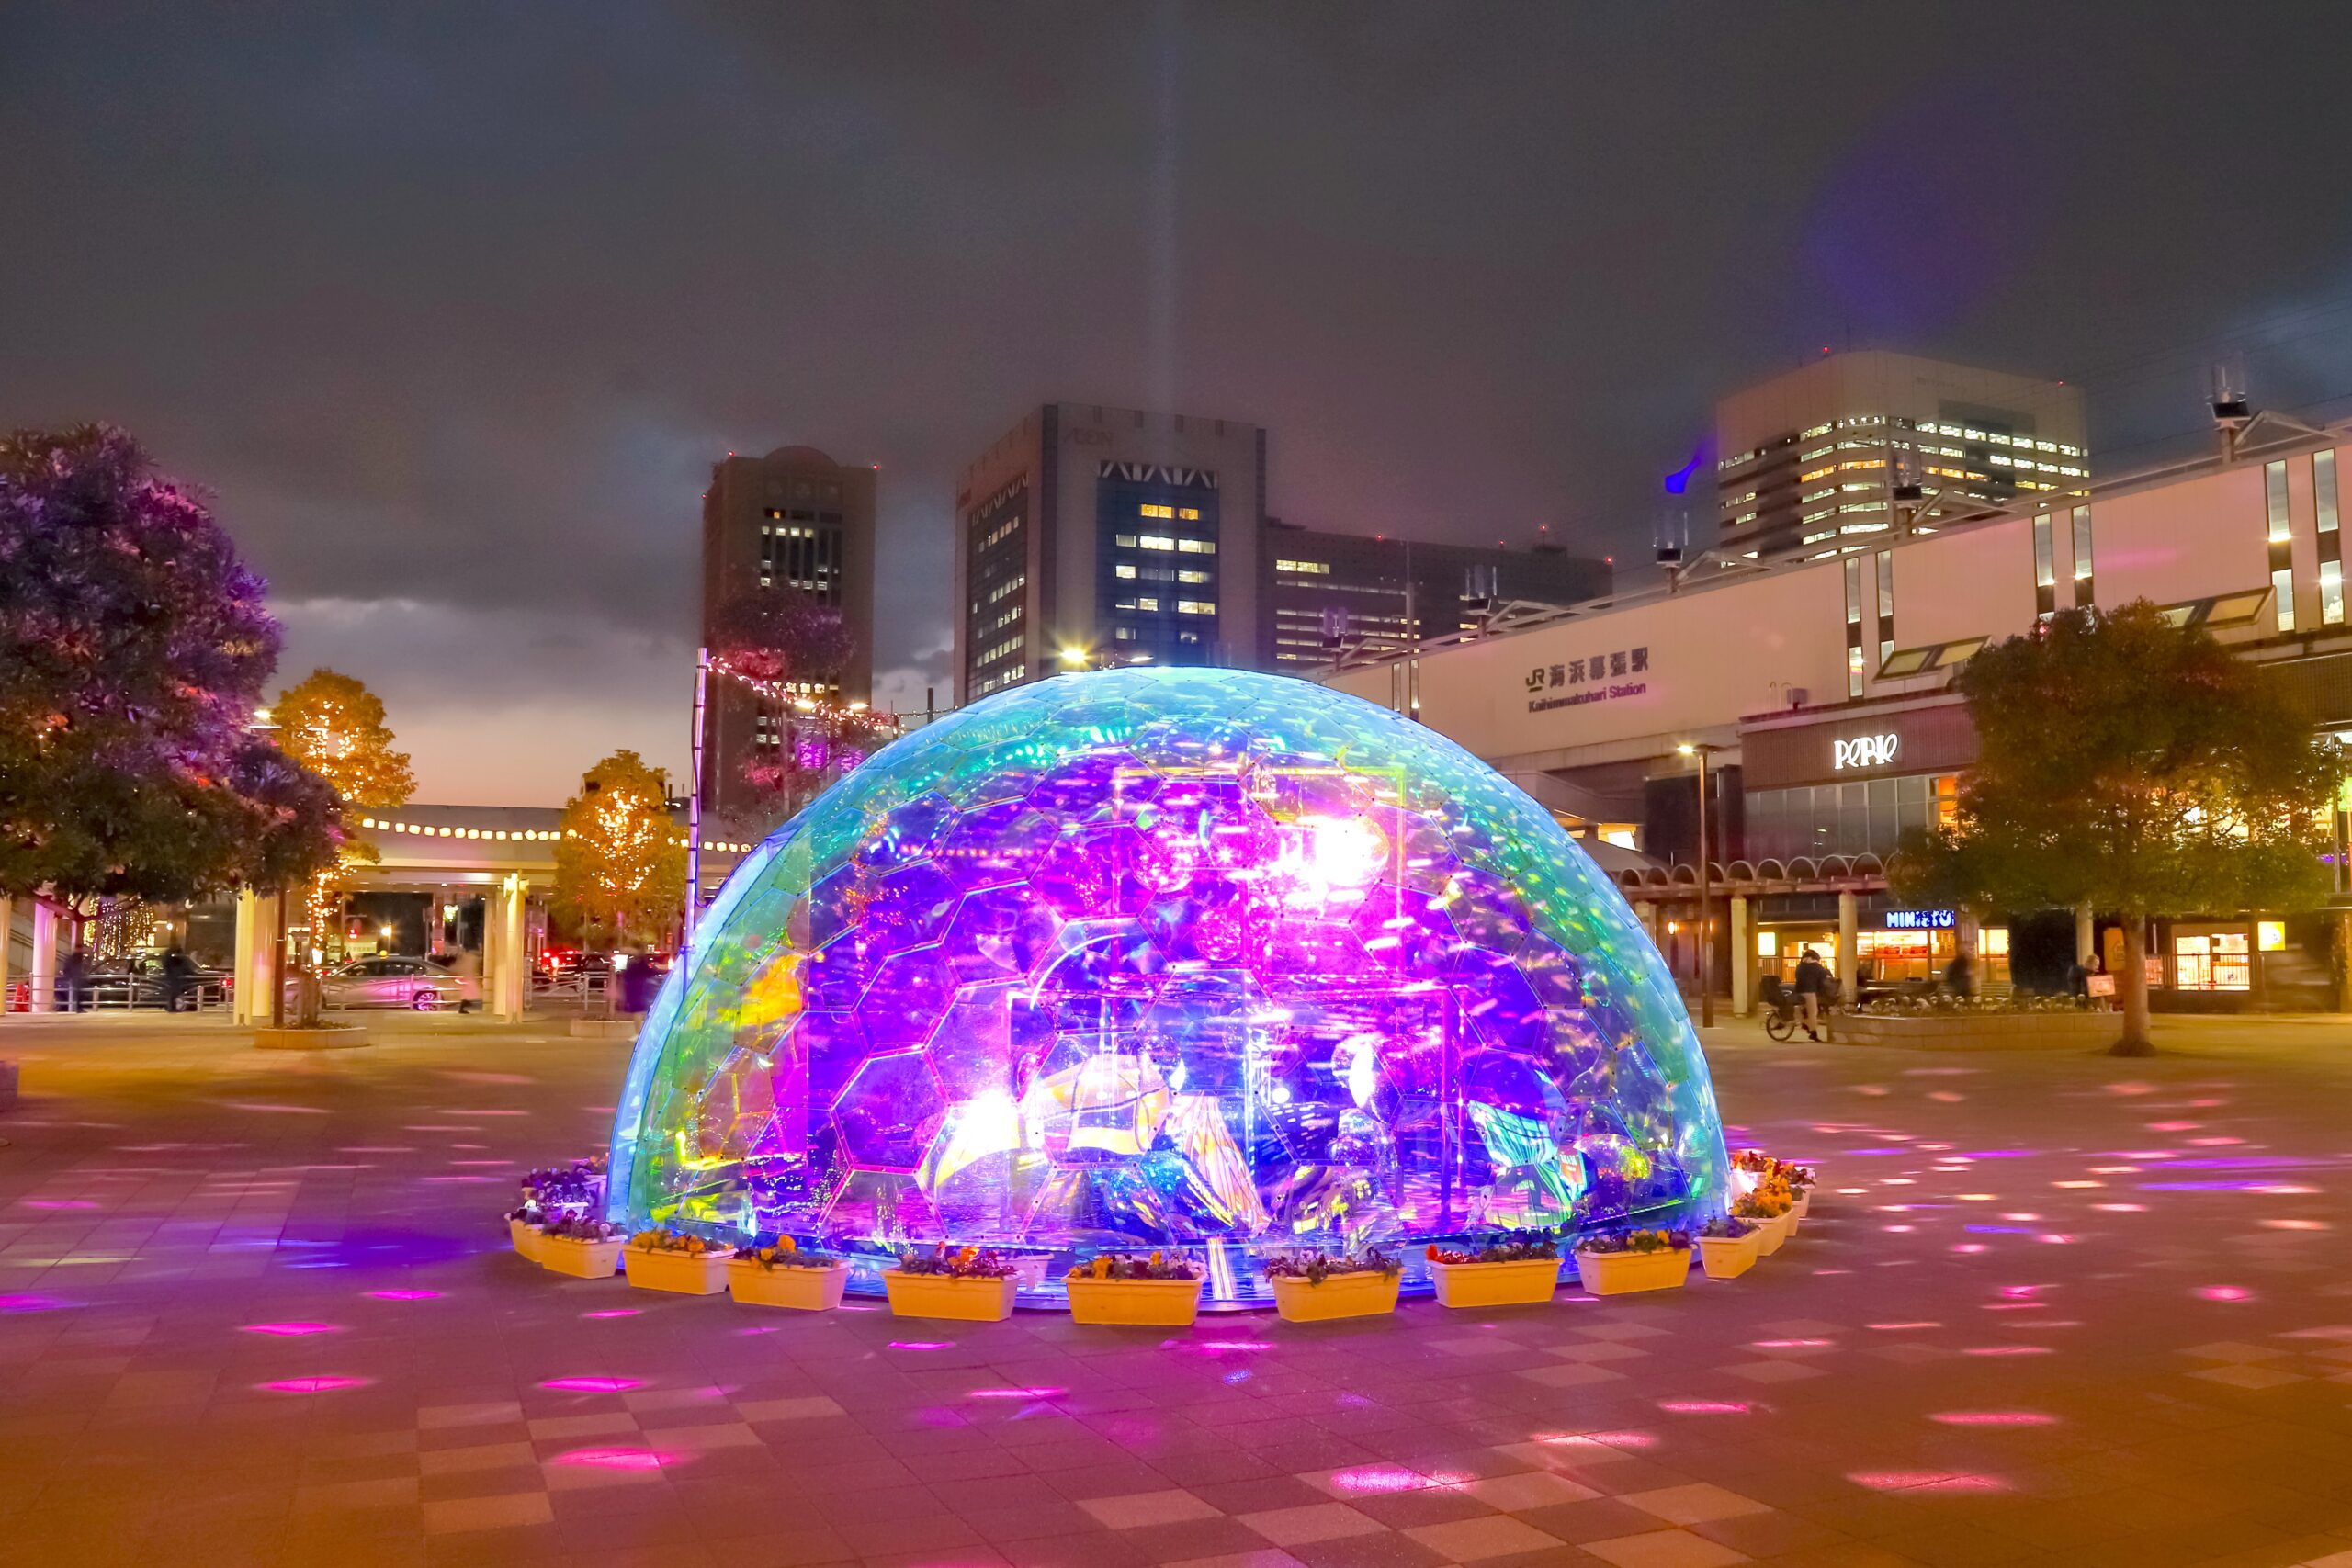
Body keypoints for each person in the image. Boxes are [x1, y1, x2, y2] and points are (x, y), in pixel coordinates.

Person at [1792, 946, 1830, 1041]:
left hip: (1798, 991)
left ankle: (1805, 1024)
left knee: (1804, 1010)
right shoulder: (1817, 967)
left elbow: (1796, 976)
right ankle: (1813, 1033)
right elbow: (1824, 979)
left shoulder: (1800, 966)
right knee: (1813, 1013)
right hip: (1809, 992)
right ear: (1815, 958)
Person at [159, 946, 195, 1013]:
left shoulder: (169, 958)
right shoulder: (179, 959)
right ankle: (173, 1007)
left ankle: (172, 1007)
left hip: (173, 978)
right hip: (178, 978)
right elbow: (187, 969)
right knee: (176, 993)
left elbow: (166, 968)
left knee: (174, 993)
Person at [451, 945, 482, 1014]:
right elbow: (472, 969)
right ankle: (465, 1005)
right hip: (469, 979)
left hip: (466, 978)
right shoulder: (473, 959)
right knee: (470, 993)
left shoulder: (466, 958)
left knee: (467, 994)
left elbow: (460, 967)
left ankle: (464, 1006)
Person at [58, 949, 89, 1014]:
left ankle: (75, 1008)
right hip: (76, 979)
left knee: (78, 994)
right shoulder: (75, 960)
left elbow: (67, 969)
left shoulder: (73, 960)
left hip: (76, 979)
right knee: (78, 994)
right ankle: (76, 1008)